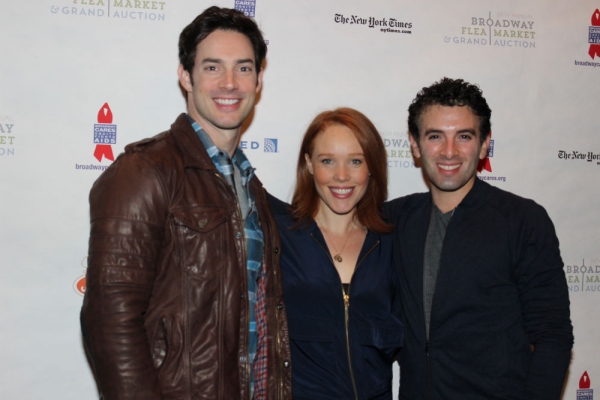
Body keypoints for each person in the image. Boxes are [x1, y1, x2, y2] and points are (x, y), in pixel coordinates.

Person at [80, 7, 292, 399]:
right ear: (185, 75)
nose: (229, 83)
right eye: (212, 67)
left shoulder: (251, 187)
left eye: (244, 68)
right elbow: (110, 321)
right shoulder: (146, 171)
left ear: (259, 79)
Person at [385, 77, 573, 399]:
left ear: (485, 144)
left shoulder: (522, 221)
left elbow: (552, 337)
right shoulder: (393, 220)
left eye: (464, 136)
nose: (449, 151)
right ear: (414, 145)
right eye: (434, 136)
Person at [269, 108, 404, 400]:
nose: (341, 176)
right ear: (309, 164)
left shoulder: (392, 243)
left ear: (372, 167)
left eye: (355, 161)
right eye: (327, 161)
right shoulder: (278, 236)